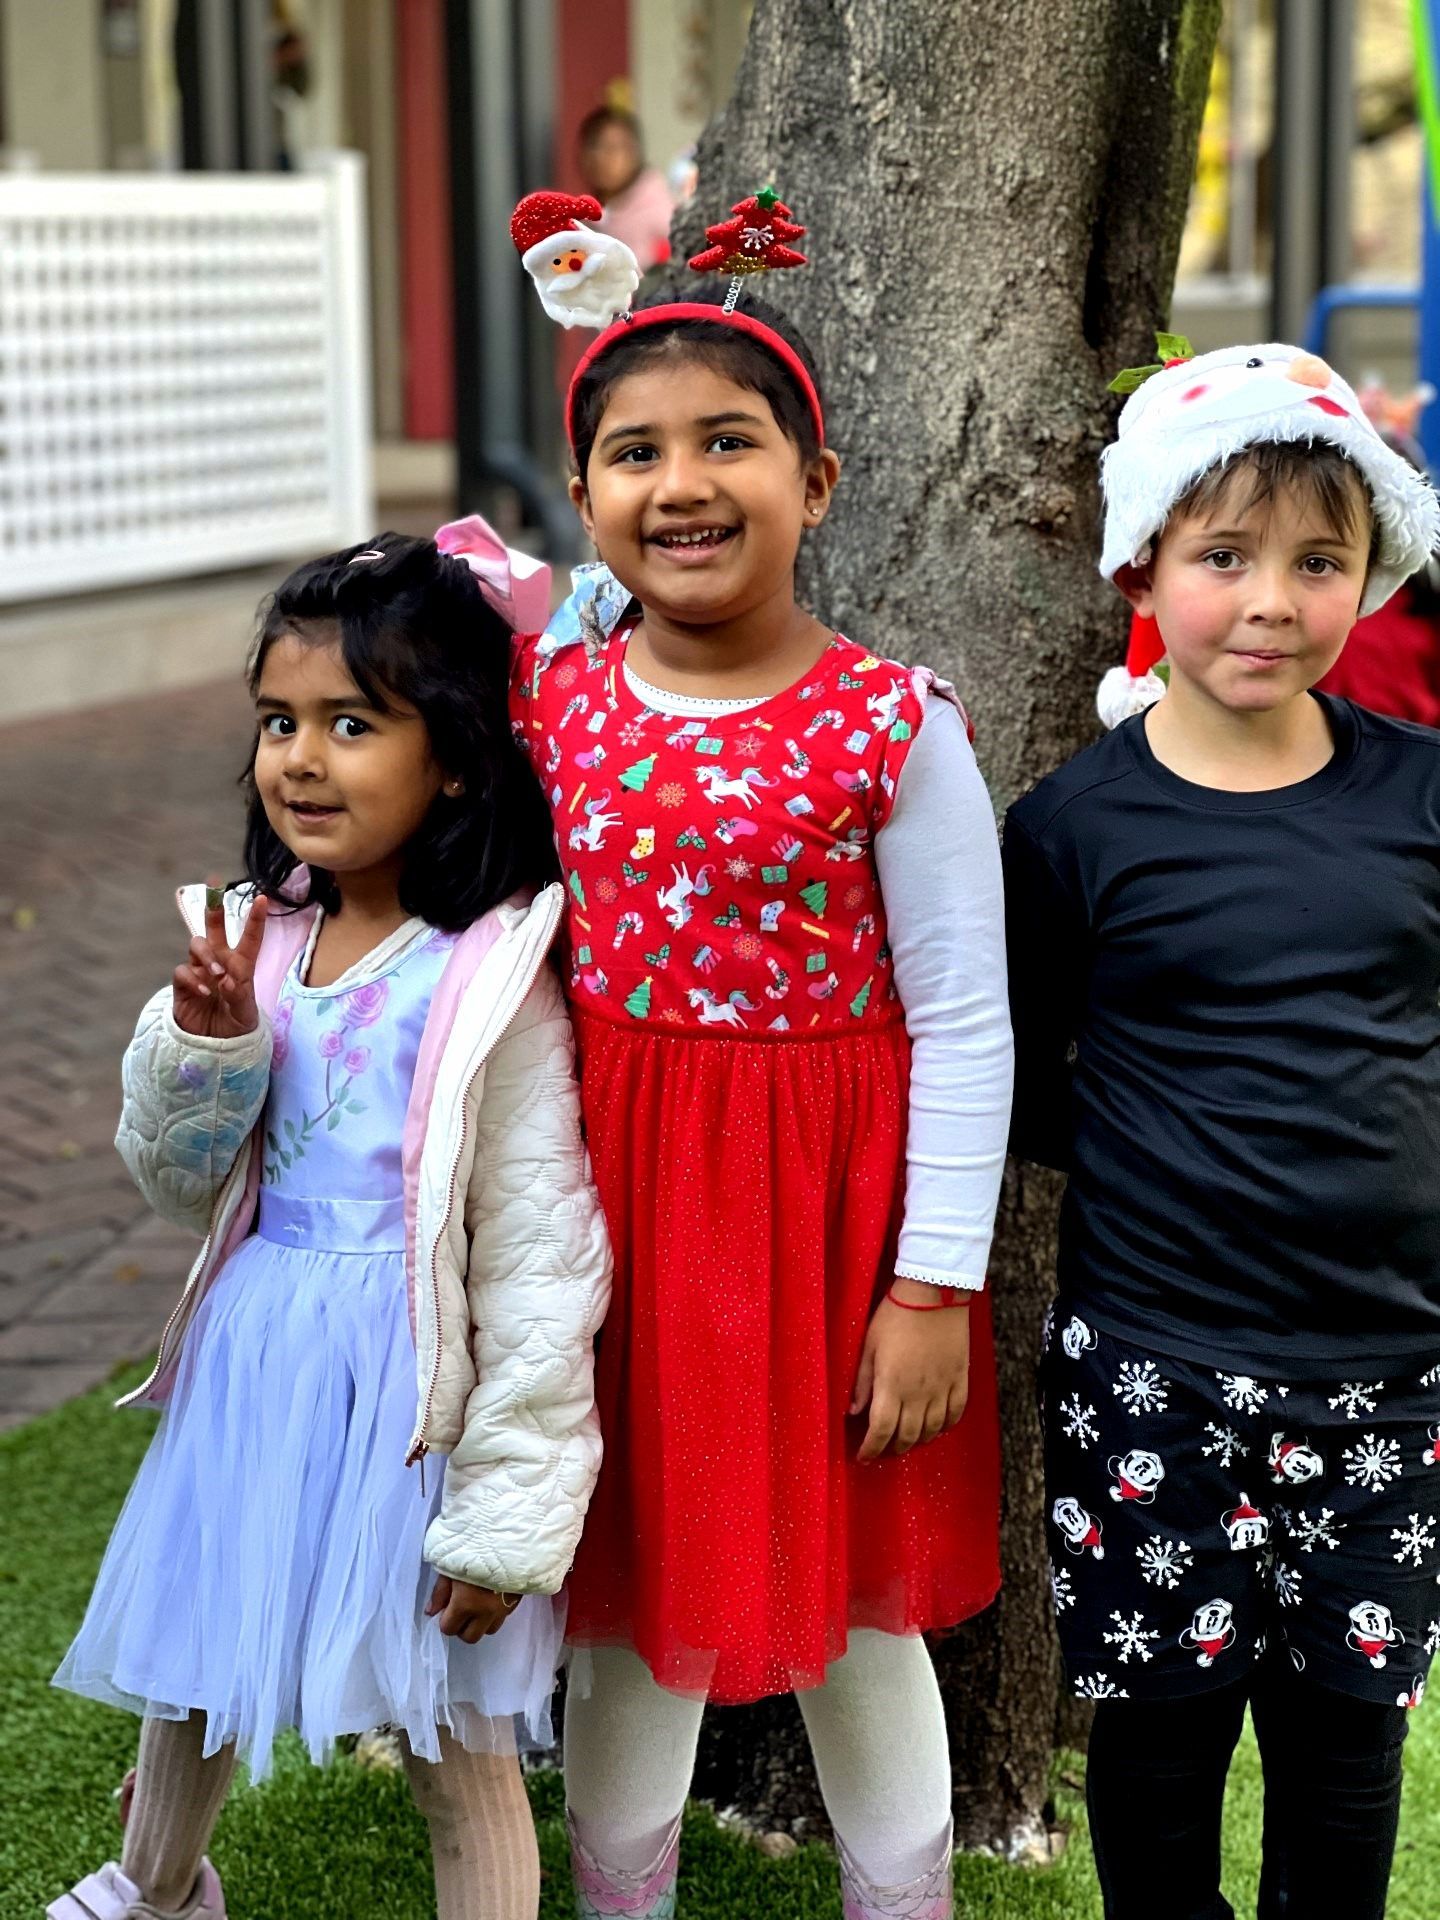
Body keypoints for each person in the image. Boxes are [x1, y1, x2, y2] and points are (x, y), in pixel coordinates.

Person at [508, 191, 1014, 1920]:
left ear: (819, 478)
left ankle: (906, 1896)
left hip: (828, 1227)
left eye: (731, 440)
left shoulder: (893, 721)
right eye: (635, 452)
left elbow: (963, 1016)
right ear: (585, 501)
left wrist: (933, 1285)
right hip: (621, 1221)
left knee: (855, 1608)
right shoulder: (553, 707)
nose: (684, 483)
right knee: (634, 1598)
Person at [47, 527, 612, 1920]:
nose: (300, 757)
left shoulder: (492, 981)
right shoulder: (253, 944)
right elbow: (177, 1177)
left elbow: (544, 1255)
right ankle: (158, 1889)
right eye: (279, 722)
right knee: (192, 1665)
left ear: (461, 758)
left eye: (352, 724)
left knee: (449, 1736)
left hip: (406, 1403)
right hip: (253, 1370)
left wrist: (505, 1518)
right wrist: (212, 1049)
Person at [1005, 342, 1440, 1920]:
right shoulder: (1073, 829)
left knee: (1344, 1739)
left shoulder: (1419, 797)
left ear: (1367, 576)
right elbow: (1041, 1084)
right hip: (1154, 1364)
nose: (1270, 601)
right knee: (1163, 1736)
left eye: (1317, 561)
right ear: (1148, 565)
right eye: (1226, 557)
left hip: (1392, 1367)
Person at [575, 105, 674, 272]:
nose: (601, 158)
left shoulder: (661, 214)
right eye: (593, 146)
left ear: (634, 154)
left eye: (612, 148)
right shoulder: (589, 217)